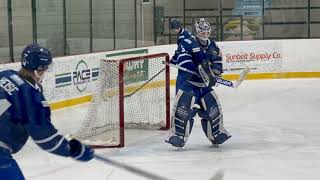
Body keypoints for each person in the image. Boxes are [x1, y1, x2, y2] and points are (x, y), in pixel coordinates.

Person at [0, 44, 94, 179]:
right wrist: (75, 150)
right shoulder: (32, 98)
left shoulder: (5, 74)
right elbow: (47, 139)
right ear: (39, 70)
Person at [165, 18, 231, 148]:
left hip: (204, 85)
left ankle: (216, 133)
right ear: (196, 31)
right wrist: (198, 70)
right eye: (202, 32)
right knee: (184, 110)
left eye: (207, 31)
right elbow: (184, 61)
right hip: (188, 84)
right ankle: (178, 135)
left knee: (213, 107)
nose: (205, 34)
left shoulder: (213, 45)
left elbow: (217, 62)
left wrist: (215, 72)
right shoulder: (188, 42)